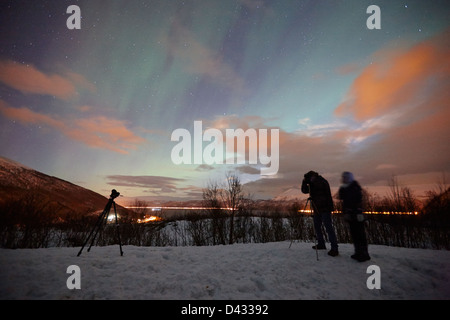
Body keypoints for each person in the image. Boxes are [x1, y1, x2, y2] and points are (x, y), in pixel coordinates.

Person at [301, 171, 339, 257]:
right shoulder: (313, 182)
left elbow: (319, 187)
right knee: (317, 226)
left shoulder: (321, 181)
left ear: (313, 176)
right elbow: (304, 191)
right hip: (317, 208)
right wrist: (304, 182)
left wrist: (311, 181)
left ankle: (334, 248)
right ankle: (321, 244)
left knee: (328, 228)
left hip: (325, 208)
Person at [338, 172, 370, 262]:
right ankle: (358, 252)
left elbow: (356, 200)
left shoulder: (354, 187)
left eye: (345, 177)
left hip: (357, 213)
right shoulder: (345, 188)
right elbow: (342, 198)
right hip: (350, 213)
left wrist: (358, 211)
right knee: (354, 234)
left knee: (360, 234)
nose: (343, 179)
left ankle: (364, 253)